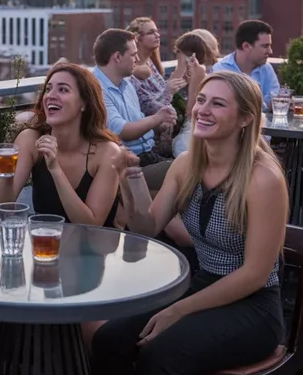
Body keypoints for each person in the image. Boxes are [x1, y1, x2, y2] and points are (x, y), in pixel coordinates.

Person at [91, 71, 289, 375]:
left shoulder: (263, 179)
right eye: (201, 100)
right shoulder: (186, 165)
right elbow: (147, 228)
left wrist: (179, 309)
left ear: (246, 118)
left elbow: (255, 276)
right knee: (109, 339)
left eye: (218, 104)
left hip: (253, 307)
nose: (202, 110)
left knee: (160, 356)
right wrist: (130, 180)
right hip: (201, 286)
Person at [0, 62, 125, 227]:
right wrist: (7, 174)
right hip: (44, 245)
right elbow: (5, 206)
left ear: (84, 104)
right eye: (48, 89)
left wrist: (55, 169)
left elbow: (90, 225)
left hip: (92, 247)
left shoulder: (108, 153)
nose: (50, 96)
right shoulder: (30, 140)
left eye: (63, 89)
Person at [92, 28, 175, 176]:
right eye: (133, 55)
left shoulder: (127, 83)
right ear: (117, 57)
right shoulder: (96, 88)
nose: (137, 60)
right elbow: (123, 131)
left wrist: (159, 125)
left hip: (149, 153)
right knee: (184, 172)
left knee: (192, 162)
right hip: (129, 163)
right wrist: (158, 118)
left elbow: (139, 123)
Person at [127, 17, 188, 158]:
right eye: (151, 32)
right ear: (137, 39)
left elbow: (166, 92)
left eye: (157, 31)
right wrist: (169, 90)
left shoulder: (151, 64)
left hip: (172, 126)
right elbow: (149, 108)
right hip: (154, 140)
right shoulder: (131, 73)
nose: (157, 35)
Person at [171, 29, 221, 156]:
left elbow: (190, 112)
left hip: (196, 131)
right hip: (181, 131)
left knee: (181, 146)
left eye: (178, 52)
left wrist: (192, 80)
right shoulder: (185, 75)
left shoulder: (202, 74)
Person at [213, 19, 280, 109]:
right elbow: (223, 107)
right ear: (246, 46)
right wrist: (262, 104)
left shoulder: (266, 68)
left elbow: (276, 101)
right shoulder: (221, 70)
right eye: (265, 46)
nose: (270, 51)